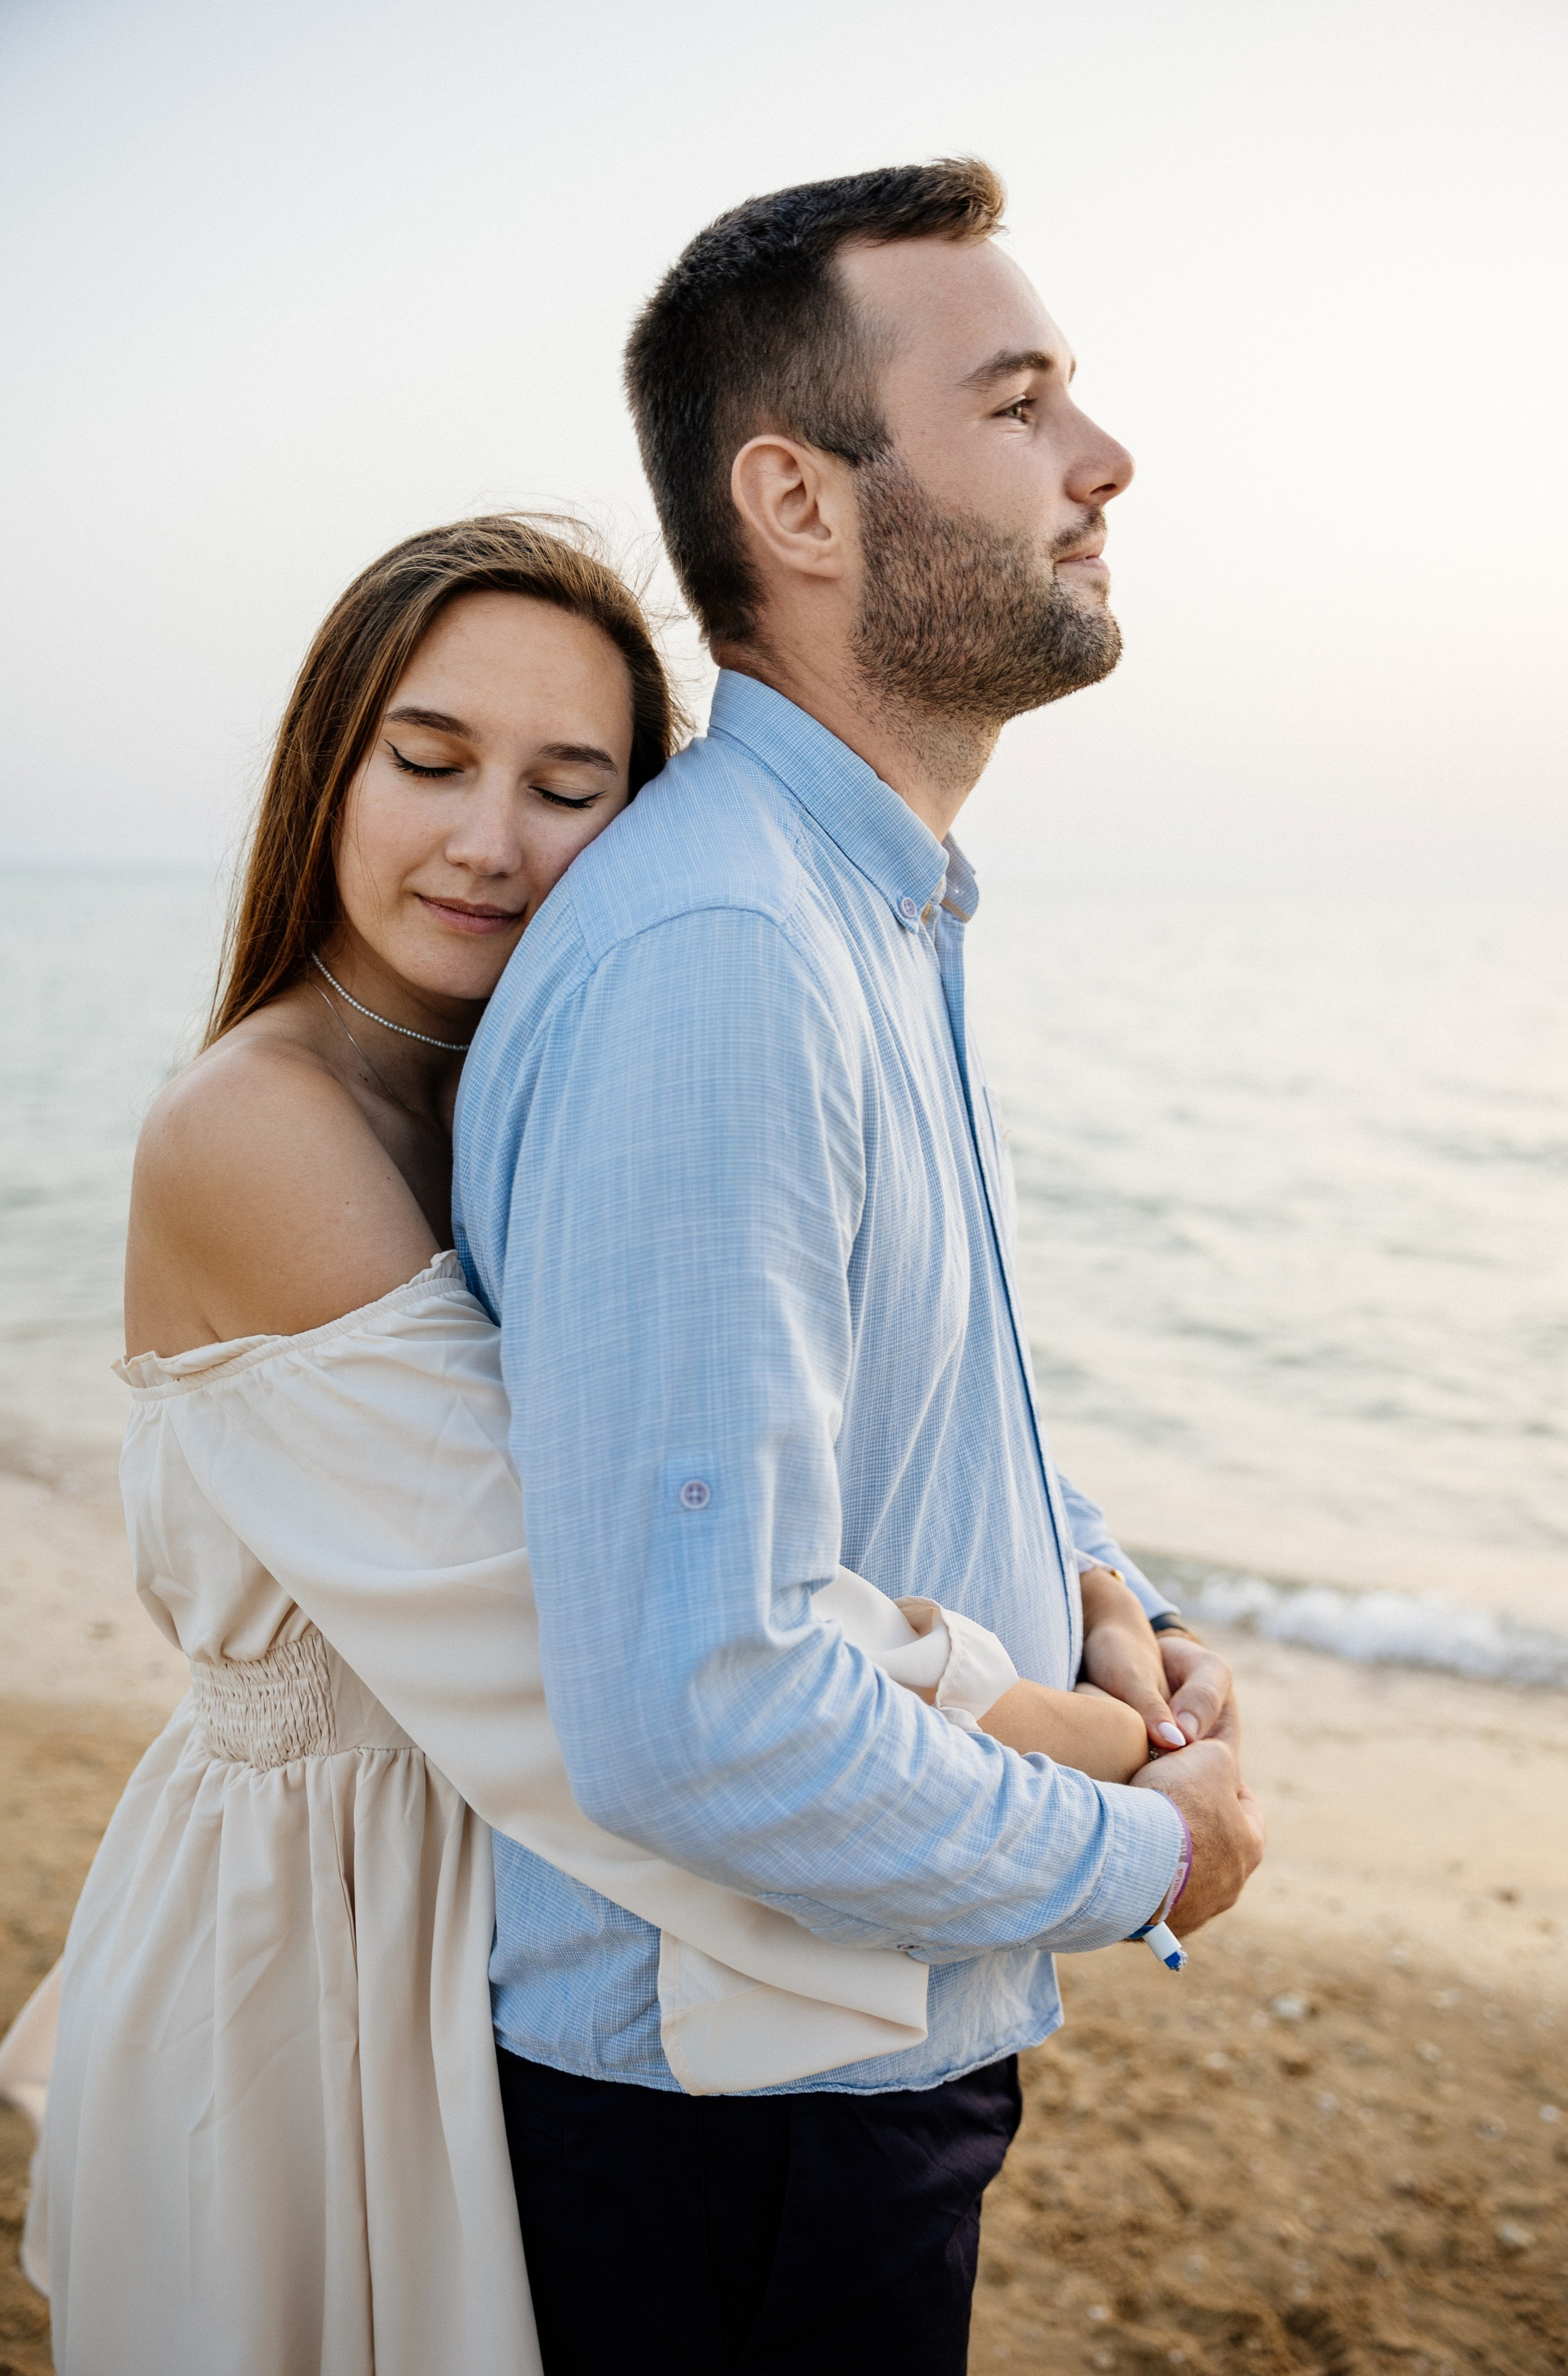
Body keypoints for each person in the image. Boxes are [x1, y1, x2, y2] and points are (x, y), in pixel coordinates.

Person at [2, 510, 1220, 2376]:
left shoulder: (540, 1067)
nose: (493, 841)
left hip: (508, 1881)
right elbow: (604, 1625)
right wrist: (1084, 1739)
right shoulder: (256, 1131)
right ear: (328, 765)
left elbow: (854, 1403)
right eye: (430, 762)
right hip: (327, 1915)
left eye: (570, 787)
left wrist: (1092, 1579)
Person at [455, 160, 1265, 2376]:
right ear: (800, 503)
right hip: (742, 2120)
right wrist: (1147, 1852)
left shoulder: (856, 909)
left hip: (825, 2071)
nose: (1104, 460)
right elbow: (704, 1707)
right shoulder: (730, 953)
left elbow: (899, 1403)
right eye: (1019, 404)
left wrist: (1109, 1594)